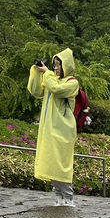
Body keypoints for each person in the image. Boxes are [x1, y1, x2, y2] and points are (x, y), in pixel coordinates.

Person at [27, 47, 79, 206]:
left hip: (63, 130)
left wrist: (47, 72)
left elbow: (57, 89)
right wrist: (37, 72)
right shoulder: (51, 78)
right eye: (54, 65)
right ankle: (58, 198)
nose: (56, 68)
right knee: (51, 164)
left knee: (62, 166)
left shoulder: (72, 82)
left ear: (66, 66)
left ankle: (68, 199)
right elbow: (35, 90)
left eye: (58, 65)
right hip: (49, 129)